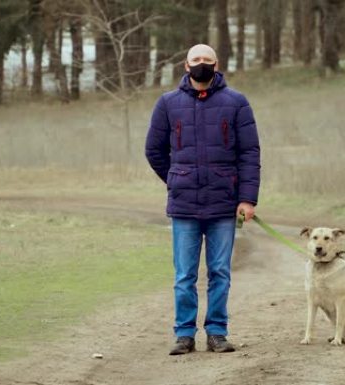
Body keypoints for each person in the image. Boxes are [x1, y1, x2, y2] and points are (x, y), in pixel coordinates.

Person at [145, 44, 261, 355]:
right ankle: (184, 334)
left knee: (220, 272)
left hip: (224, 204)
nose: (201, 65)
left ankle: (217, 333)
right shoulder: (168, 103)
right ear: (186, 65)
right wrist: (176, 178)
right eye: (195, 60)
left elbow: (249, 153)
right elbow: (153, 150)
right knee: (184, 274)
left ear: (217, 64)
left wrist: (247, 199)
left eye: (206, 61)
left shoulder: (236, 103)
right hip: (184, 205)